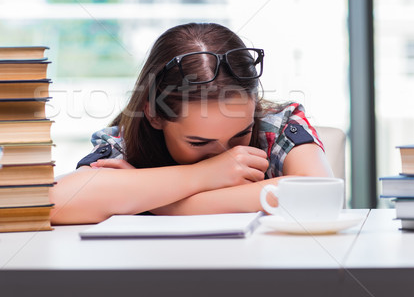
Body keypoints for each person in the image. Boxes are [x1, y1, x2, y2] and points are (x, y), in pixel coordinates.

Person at [50, 22, 333, 224]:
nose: (229, 156)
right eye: (199, 142)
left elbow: (321, 195)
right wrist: (206, 174)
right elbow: (54, 202)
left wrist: (165, 205)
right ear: (154, 115)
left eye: (241, 135)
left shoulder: (279, 125)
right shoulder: (126, 141)